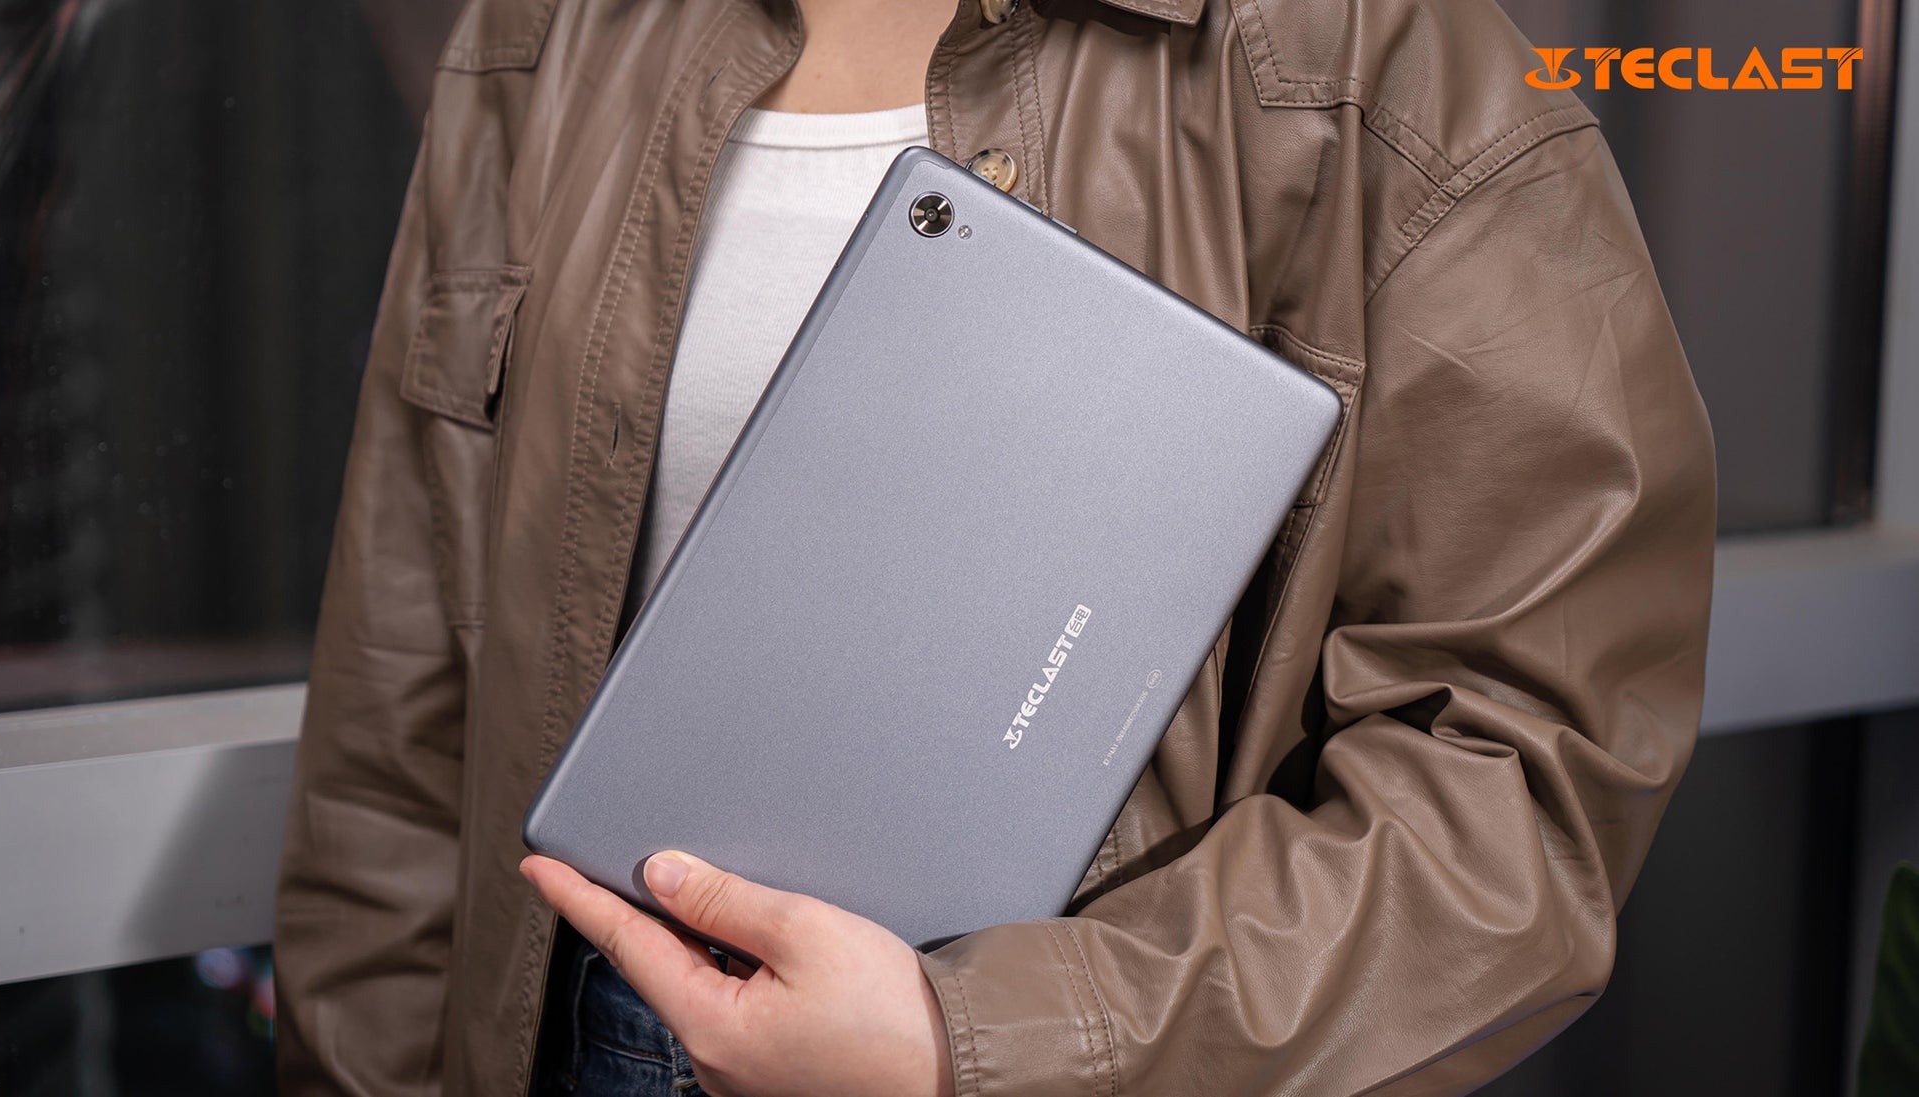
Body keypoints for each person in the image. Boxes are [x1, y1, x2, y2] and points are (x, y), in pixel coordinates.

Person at [272, 0, 1718, 1094]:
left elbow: (1521, 770)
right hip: (583, 1033)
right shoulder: (547, 28)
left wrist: (972, 1040)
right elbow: (404, 708)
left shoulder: (1374, 50)